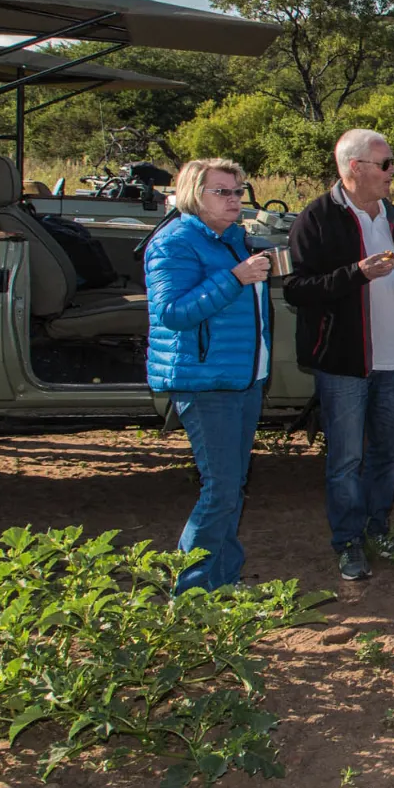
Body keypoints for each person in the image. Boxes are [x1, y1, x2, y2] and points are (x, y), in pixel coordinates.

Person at [285, 128, 394, 582]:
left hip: (392, 362)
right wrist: (356, 274)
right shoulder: (316, 218)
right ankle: (347, 543)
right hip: (344, 364)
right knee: (345, 460)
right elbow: (297, 290)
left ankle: (377, 527)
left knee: (390, 451)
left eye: (390, 164)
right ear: (354, 168)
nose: (391, 173)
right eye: (384, 164)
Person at [145, 158, 273, 595]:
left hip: (242, 377)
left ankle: (223, 579)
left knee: (232, 485)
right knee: (219, 488)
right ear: (193, 194)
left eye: (238, 191)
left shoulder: (233, 239)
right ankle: (191, 589)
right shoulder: (174, 242)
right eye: (222, 191)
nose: (234, 199)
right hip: (205, 381)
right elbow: (172, 312)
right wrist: (235, 278)